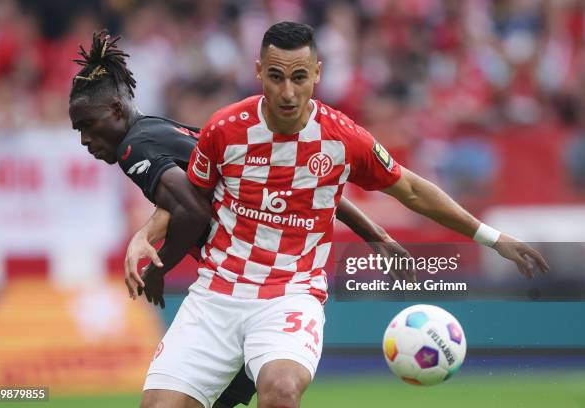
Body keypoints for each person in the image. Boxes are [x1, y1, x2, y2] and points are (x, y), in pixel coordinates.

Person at [134, 22, 549, 408]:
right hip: (216, 295)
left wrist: (493, 238)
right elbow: (189, 200)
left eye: (299, 78)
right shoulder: (223, 129)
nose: (288, 93)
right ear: (259, 72)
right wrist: (145, 236)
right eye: (276, 76)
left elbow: (411, 189)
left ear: (317, 73)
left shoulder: (342, 137)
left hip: (291, 295)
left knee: (280, 391)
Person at [68, 30, 413, 408]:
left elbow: (194, 209)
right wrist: (373, 234)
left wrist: (160, 269)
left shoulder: (135, 149)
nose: (85, 139)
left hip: (258, 290)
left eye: (87, 125)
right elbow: (302, 188)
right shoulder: (165, 132)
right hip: (235, 293)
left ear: (116, 110)